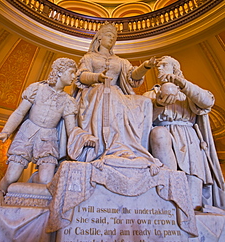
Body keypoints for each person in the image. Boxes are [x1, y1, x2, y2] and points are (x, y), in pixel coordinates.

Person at [0, 57, 96, 194]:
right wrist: (5, 132)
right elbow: (19, 112)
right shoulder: (36, 89)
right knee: (11, 177)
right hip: (27, 133)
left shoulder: (69, 101)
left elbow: (71, 129)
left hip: (49, 139)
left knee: (45, 181)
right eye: (71, 72)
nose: (74, 77)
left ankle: (30, 187)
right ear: (59, 72)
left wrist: (84, 138)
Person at [72, 22, 162, 173]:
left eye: (114, 37)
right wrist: (97, 77)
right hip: (95, 92)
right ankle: (111, 146)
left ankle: (138, 150)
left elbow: (131, 77)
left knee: (145, 102)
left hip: (116, 94)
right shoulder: (89, 57)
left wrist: (145, 66)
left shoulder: (120, 61)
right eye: (108, 35)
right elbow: (81, 76)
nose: (112, 39)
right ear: (99, 38)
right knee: (106, 91)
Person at [143, 55, 225, 210]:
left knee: (194, 197)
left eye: (164, 65)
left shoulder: (188, 93)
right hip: (161, 137)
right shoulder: (151, 95)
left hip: (188, 140)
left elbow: (207, 102)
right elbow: (141, 122)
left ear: (175, 69)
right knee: (169, 191)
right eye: (158, 65)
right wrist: (159, 104)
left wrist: (183, 84)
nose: (159, 68)